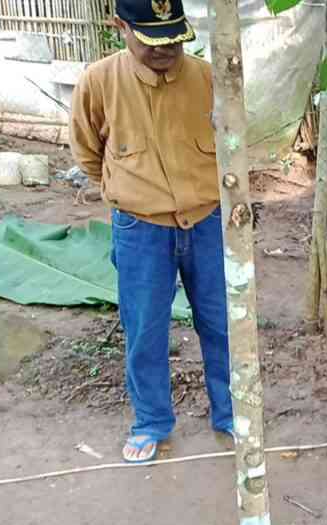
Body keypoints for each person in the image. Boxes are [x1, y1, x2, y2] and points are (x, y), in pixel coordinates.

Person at [69, 0, 232, 462]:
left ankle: (231, 413)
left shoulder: (207, 79)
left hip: (207, 222)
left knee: (222, 323)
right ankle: (151, 422)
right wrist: (130, 189)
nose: (165, 51)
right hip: (140, 229)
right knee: (145, 330)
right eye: (151, 40)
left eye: (174, 39)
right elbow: (88, 153)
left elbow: (233, 143)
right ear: (120, 25)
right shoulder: (99, 82)